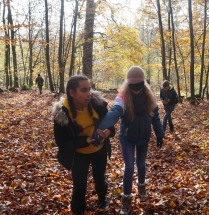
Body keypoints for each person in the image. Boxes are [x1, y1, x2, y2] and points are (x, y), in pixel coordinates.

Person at [96, 66, 164, 215]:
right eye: (132, 85)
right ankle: (126, 199)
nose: (135, 89)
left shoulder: (150, 96)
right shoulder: (123, 97)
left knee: (141, 164)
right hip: (127, 137)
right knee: (129, 167)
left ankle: (141, 186)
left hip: (144, 137)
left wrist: (159, 133)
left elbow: (156, 116)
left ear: (143, 83)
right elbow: (115, 112)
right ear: (128, 84)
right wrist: (101, 127)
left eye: (138, 85)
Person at [52, 75, 115, 215]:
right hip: (79, 154)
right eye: (84, 90)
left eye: (89, 89)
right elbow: (61, 143)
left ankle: (102, 198)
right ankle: (78, 208)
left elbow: (112, 128)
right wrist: (83, 141)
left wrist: (108, 132)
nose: (88, 94)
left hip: (99, 150)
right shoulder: (62, 114)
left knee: (100, 178)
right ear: (72, 93)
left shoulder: (98, 105)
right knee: (79, 185)